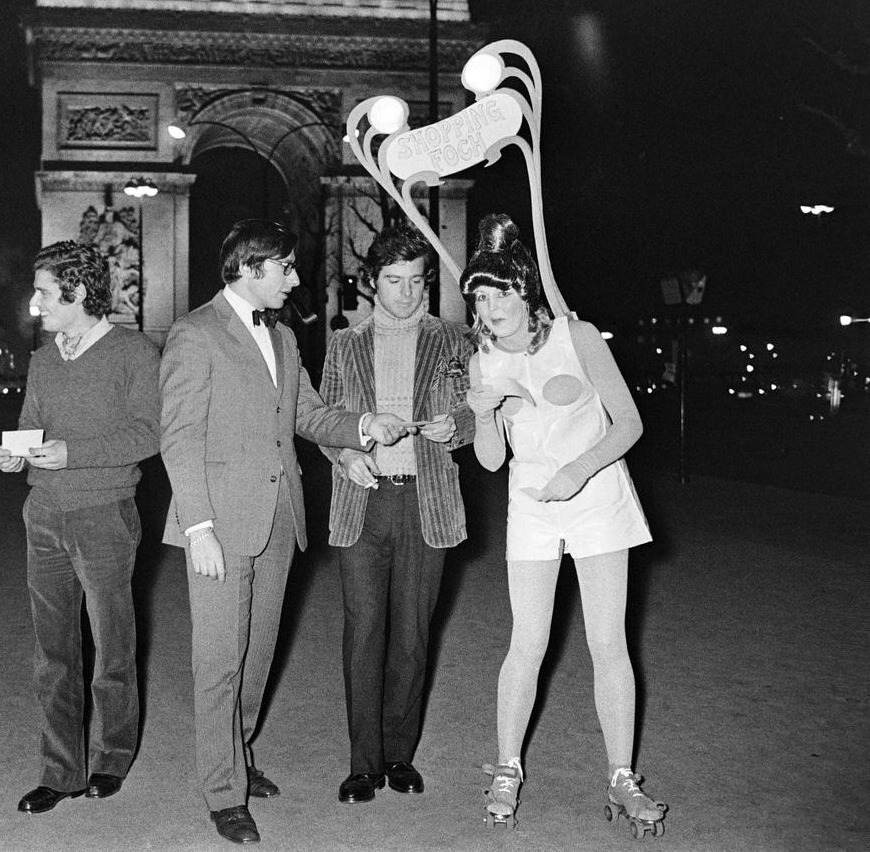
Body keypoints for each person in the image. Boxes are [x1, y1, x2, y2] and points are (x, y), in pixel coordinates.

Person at [159, 218, 408, 845]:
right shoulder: (194, 334)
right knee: (218, 662)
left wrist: (363, 428)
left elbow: (307, 414)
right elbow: (179, 439)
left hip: (278, 518)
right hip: (217, 521)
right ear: (251, 268)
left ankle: (237, 756)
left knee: (257, 654)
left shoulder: (286, 337)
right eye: (286, 268)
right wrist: (200, 527)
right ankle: (223, 793)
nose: (295, 278)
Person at [460, 213, 666, 835]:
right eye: (480, 297)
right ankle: (506, 768)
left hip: (598, 499)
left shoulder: (578, 338)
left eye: (499, 293)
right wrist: (482, 413)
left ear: (525, 290)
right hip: (531, 508)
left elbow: (628, 423)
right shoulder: (482, 359)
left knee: (609, 642)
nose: (490, 308)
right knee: (528, 640)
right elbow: (493, 460)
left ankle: (621, 778)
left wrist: (578, 470)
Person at [0, 240, 160, 815]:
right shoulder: (42, 359)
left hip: (104, 513)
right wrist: (15, 454)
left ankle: (112, 756)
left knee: (112, 644)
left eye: (43, 291)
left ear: (78, 292)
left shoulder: (134, 352)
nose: (35, 302)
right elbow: (30, 427)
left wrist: (75, 455)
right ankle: (59, 770)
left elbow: (149, 435)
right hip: (43, 514)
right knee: (53, 651)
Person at [317, 224, 474, 805]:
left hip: (427, 501)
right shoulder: (345, 345)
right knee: (364, 632)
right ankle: (363, 764)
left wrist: (455, 426)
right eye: (393, 281)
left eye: (415, 281)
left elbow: (479, 413)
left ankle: (399, 753)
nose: (405, 293)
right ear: (371, 284)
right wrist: (343, 455)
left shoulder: (455, 340)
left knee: (412, 632)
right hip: (363, 500)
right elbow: (325, 420)